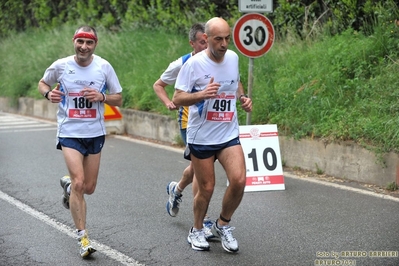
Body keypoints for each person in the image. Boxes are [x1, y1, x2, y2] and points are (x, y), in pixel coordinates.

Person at [38, 25, 123, 258]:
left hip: (94, 132)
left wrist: (102, 97)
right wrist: (48, 94)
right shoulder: (61, 66)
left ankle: (68, 187)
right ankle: (83, 237)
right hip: (70, 132)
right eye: (80, 42)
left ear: (95, 45)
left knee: (88, 188)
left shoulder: (103, 67)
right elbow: (43, 83)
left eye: (89, 43)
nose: (84, 47)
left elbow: (119, 98)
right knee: (79, 183)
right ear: (74, 41)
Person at [172, 17, 252, 253]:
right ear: (206, 39)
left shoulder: (234, 58)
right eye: (219, 39)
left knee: (239, 180)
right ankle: (196, 229)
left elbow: (235, 82)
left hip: (227, 133)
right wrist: (202, 95)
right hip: (202, 137)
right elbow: (177, 98)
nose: (224, 44)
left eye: (227, 38)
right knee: (206, 188)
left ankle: (222, 224)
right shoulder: (193, 65)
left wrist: (242, 98)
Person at [153, 23, 216, 238]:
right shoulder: (182, 63)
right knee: (201, 169)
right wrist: (168, 102)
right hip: (189, 124)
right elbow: (158, 85)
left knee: (197, 168)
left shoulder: (216, 60)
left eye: (208, 41)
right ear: (192, 43)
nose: (206, 45)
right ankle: (203, 221)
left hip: (213, 124)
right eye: (202, 42)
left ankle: (176, 189)